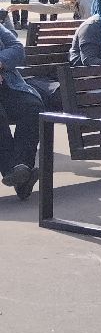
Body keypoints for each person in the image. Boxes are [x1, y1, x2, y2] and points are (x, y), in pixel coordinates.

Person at [0, 21, 43, 199]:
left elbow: (17, 47)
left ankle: (21, 167)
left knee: (32, 106)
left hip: (8, 85)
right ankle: (18, 175)